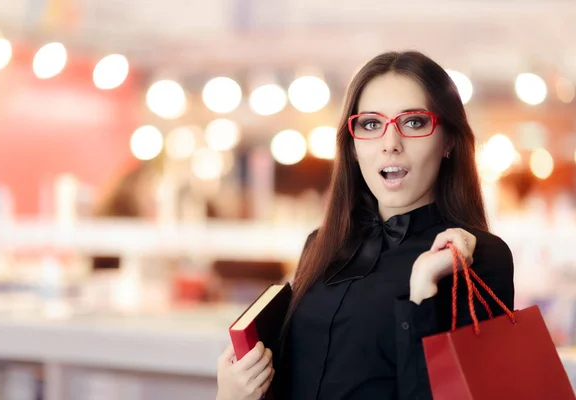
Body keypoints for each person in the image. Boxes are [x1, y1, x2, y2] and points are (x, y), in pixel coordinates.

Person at [216, 51, 515, 400]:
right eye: (371, 124)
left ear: (448, 140)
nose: (391, 144)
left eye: (414, 122)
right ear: (353, 146)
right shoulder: (322, 244)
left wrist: (422, 290)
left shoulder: (477, 257)